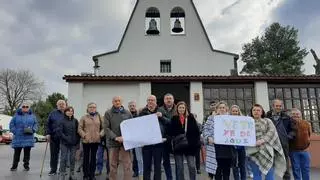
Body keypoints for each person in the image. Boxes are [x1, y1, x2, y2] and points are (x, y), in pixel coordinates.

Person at [247, 104, 286, 180]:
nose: (256, 112)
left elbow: (272, 132)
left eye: (258, 110)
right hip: (253, 151)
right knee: (256, 175)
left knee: (269, 175)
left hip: (267, 151)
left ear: (262, 112)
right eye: (254, 110)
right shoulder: (247, 122)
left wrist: (262, 140)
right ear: (251, 112)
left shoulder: (267, 121)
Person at [203, 101, 236, 180]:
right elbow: (205, 130)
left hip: (227, 149)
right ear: (216, 109)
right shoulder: (211, 118)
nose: (222, 109)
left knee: (226, 171)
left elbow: (236, 131)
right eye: (220, 108)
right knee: (217, 171)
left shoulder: (231, 119)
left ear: (226, 109)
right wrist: (208, 137)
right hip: (215, 148)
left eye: (223, 108)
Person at [140, 95, 169, 180]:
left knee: (157, 166)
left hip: (158, 143)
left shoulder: (161, 110)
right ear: (147, 102)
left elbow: (169, 122)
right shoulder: (142, 112)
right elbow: (138, 126)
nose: (150, 102)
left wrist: (162, 117)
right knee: (146, 165)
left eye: (152, 100)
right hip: (146, 143)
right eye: (149, 100)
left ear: (156, 102)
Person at [169, 101, 200, 180]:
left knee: (192, 166)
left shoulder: (191, 117)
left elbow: (196, 131)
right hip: (178, 145)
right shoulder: (174, 118)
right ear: (177, 109)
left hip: (190, 145)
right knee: (179, 167)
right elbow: (171, 132)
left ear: (186, 108)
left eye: (183, 107)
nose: (181, 109)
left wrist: (195, 143)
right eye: (180, 108)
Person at [104, 96, 133, 180]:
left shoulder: (127, 113)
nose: (117, 102)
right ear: (112, 102)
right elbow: (106, 128)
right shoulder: (108, 113)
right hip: (113, 143)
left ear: (122, 102)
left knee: (127, 164)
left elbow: (132, 126)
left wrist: (126, 137)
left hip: (125, 143)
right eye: (115, 101)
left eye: (119, 101)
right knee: (113, 165)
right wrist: (115, 137)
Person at [266, 99, 295, 180]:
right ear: (273, 106)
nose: (278, 107)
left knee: (285, 168)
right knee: (269, 167)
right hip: (269, 145)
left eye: (280, 106)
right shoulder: (266, 117)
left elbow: (293, 130)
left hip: (283, 145)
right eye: (277, 106)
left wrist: (288, 137)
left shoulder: (287, 117)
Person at [78, 102, 104, 180]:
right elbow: (79, 129)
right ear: (87, 108)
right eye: (90, 107)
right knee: (86, 158)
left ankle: (92, 175)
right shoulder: (84, 117)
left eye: (94, 107)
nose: (92, 108)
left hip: (96, 141)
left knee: (93, 158)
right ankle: (85, 175)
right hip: (86, 141)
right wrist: (84, 135)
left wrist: (100, 135)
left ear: (96, 108)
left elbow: (104, 127)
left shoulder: (99, 117)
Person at [9, 103, 38, 171]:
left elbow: (36, 124)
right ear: (21, 107)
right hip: (18, 137)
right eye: (23, 106)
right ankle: (14, 166)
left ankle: (26, 166)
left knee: (27, 153)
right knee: (17, 153)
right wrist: (15, 131)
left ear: (29, 108)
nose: (25, 107)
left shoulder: (32, 116)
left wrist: (33, 130)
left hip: (28, 137)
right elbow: (11, 124)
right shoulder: (16, 116)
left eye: (27, 106)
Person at [57, 106, 80, 180]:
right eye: (68, 111)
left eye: (71, 111)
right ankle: (62, 173)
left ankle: (72, 173)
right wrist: (67, 138)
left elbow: (78, 132)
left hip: (73, 143)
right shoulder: (61, 121)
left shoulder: (75, 121)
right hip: (64, 143)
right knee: (63, 158)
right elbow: (60, 132)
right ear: (65, 112)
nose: (70, 112)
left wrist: (77, 142)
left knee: (72, 158)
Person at [289, 108, 312, 180]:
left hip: (305, 151)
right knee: (296, 169)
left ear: (300, 115)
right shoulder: (288, 124)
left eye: (297, 114)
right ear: (291, 116)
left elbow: (309, 134)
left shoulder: (306, 123)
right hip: (293, 151)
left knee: (306, 169)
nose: (295, 115)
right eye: (293, 114)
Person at [46, 99, 66, 176]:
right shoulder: (52, 113)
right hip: (54, 137)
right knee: (54, 154)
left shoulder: (68, 113)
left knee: (64, 154)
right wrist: (48, 133)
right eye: (59, 104)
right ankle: (53, 170)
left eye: (63, 104)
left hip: (64, 138)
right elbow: (48, 124)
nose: (61, 105)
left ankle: (62, 169)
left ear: (65, 105)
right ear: (57, 105)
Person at [158, 93, 175, 180]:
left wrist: (163, 118)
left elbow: (174, 123)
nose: (168, 100)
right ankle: (170, 178)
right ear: (164, 100)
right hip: (164, 138)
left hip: (176, 138)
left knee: (178, 161)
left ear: (173, 100)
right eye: (167, 98)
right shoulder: (159, 109)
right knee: (166, 160)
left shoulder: (178, 109)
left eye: (170, 98)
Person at [230, 105, 246, 180]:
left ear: (238, 112)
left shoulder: (243, 120)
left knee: (242, 164)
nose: (235, 112)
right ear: (231, 112)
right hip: (232, 146)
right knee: (234, 165)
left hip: (241, 146)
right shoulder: (227, 120)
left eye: (236, 111)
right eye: (233, 111)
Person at [128, 101, 143, 179]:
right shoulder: (126, 115)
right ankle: (135, 171)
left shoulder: (139, 114)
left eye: (133, 105)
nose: (132, 107)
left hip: (138, 139)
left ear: (135, 106)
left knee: (139, 157)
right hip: (129, 139)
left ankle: (140, 172)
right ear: (128, 107)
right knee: (131, 157)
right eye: (130, 106)